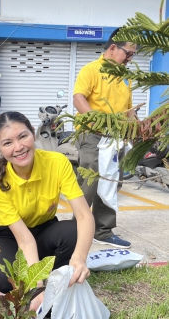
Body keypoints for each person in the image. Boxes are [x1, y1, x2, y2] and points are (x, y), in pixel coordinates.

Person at [0, 112, 94, 310]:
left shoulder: (58, 162)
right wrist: (37, 288)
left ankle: (61, 279)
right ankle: (43, 284)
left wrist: (79, 258)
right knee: (5, 281)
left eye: (22, 136)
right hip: (11, 235)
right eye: (7, 143)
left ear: (33, 133)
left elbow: (84, 215)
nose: (18, 148)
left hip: (45, 230)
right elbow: (25, 240)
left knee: (73, 231)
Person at [73, 27, 137, 248]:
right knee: (90, 181)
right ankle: (76, 229)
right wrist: (98, 121)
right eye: (128, 53)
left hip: (116, 138)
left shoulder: (125, 77)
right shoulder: (91, 70)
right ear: (113, 48)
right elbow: (78, 98)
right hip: (93, 135)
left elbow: (129, 109)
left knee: (111, 182)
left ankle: (103, 230)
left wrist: (136, 127)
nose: (130, 58)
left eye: (133, 55)